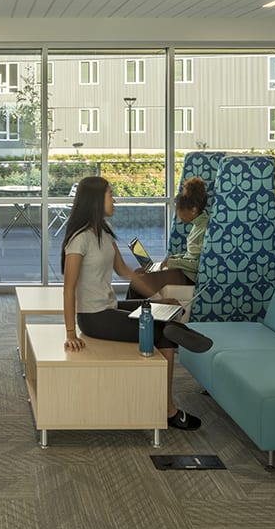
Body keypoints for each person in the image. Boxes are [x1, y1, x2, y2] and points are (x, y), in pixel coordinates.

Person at [61, 176, 212, 431]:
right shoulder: (80, 239)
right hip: (93, 316)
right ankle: (167, 409)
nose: (115, 200)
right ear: (97, 200)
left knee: (166, 311)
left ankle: (171, 326)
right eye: (111, 194)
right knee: (163, 331)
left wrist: (158, 299)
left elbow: (127, 272)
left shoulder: (105, 234)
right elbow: (69, 288)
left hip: (110, 307)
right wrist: (69, 332)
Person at [130, 176, 209, 298]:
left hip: (188, 277)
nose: (178, 213)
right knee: (137, 273)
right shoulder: (198, 225)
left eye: (181, 208)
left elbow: (200, 264)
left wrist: (173, 262)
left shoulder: (204, 228)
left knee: (138, 283)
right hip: (183, 272)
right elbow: (192, 255)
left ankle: (133, 314)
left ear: (193, 210)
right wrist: (175, 257)